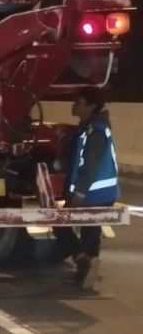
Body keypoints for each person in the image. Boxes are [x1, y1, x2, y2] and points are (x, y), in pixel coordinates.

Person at [54, 86, 118, 290]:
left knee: (59, 223)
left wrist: (80, 192)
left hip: (93, 193)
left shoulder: (95, 132)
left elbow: (90, 164)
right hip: (101, 193)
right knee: (91, 233)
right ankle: (87, 273)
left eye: (79, 103)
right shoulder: (91, 128)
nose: (74, 106)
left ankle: (83, 259)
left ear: (91, 106)